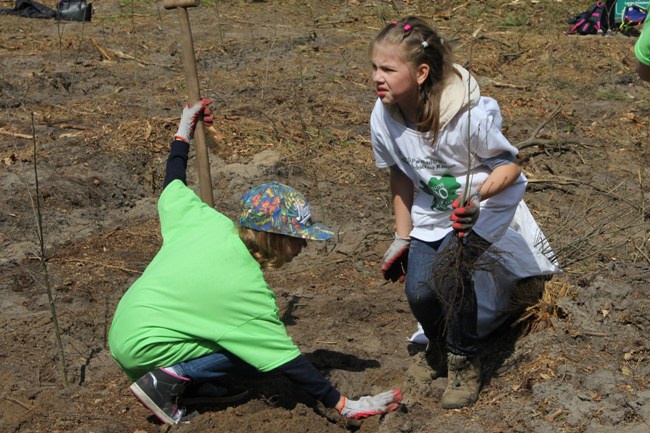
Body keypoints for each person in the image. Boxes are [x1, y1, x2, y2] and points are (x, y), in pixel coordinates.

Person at [108, 99, 402, 425]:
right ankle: (164, 383)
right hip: (146, 350)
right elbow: (285, 359)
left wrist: (184, 128)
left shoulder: (205, 222)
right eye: (297, 237)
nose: (304, 245)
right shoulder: (245, 288)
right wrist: (344, 403)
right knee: (249, 357)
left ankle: (183, 383)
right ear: (273, 237)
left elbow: (173, 183)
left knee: (226, 339)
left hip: (124, 327)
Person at [369, 17, 560, 409]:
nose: (377, 77)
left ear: (421, 73)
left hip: (483, 208)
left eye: (388, 69)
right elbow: (400, 177)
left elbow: (510, 166)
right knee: (419, 291)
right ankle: (438, 348)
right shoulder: (384, 116)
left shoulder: (465, 116)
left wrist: (476, 201)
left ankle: (463, 361)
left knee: (451, 277)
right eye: (374, 67)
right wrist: (401, 235)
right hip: (431, 213)